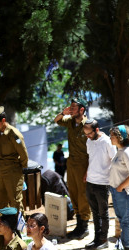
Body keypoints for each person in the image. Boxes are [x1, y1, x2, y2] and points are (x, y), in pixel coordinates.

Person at [55, 98, 91, 240]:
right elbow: (57, 120)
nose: (71, 110)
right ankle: (78, 225)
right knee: (74, 193)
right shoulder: (70, 121)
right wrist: (62, 113)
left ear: (82, 110)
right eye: (70, 107)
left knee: (83, 195)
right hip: (71, 164)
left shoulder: (88, 125)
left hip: (84, 164)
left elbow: (93, 150)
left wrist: (89, 170)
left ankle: (85, 226)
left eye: (74, 108)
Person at [0, 107, 29, 210]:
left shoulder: (14, 134)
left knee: (15, 201)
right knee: (1, 200)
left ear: (3, 121)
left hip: (12, 171)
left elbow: (24, 155)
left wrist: (19, 169)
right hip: (0, 170)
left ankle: (19, 224)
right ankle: (4, 224)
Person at [84, 118, 116, 250]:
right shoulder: (89, 141)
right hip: (90, 181)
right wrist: (86, 173)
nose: (87, 136)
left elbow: (114, 160)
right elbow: (90, 159)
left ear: (97, 130)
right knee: (94, 212)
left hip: (103, 182)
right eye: (85, 134)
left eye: (89, 133)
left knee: (103, 213)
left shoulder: (107, 142)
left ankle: (104, 239)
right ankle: (96, 238)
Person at [109, 125, 129, 250]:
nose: (110, 138)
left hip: (125, 192)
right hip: (117, 190)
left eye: (112, 136)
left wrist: (120, 187)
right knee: (122, 219)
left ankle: (127, 248)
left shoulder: (127, 152)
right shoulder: (120, 150)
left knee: (127, 220)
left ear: (120, 137)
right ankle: (123, 244)